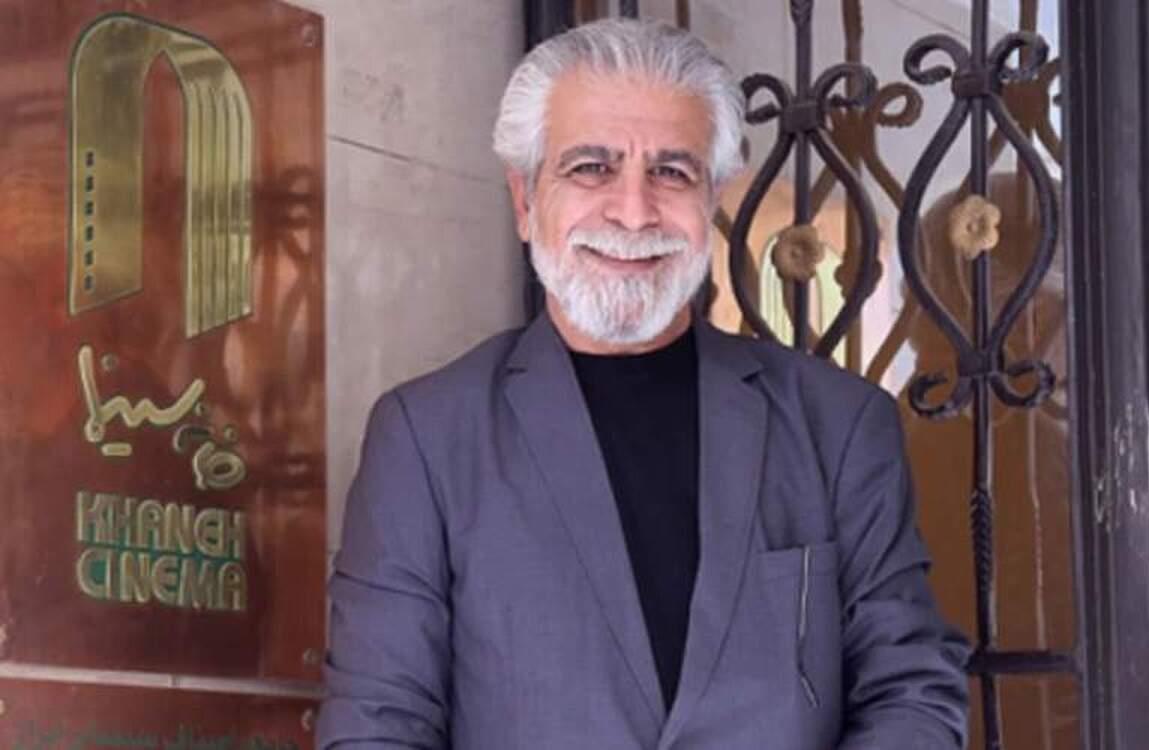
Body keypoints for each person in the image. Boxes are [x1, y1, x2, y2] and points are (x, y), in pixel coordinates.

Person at [317, 18, 968, 750]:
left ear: (712, 198)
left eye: (671, 172)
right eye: (591, 168)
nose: (633, 211)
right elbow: (377, 725)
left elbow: (911, 691)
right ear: (525, 200)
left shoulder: (839, 425)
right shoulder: (426, 438)